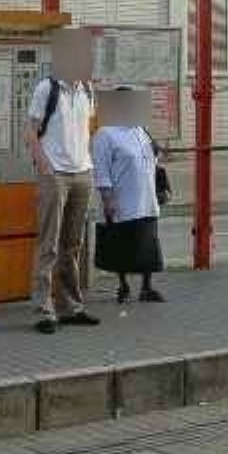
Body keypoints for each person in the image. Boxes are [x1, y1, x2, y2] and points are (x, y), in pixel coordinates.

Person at [26, 28, 101, 334]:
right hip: (55, 174)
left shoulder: (87, 90)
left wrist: (88, 163)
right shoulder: (47, 88)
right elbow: (30, 133)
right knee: (49, 243)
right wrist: (45, 167)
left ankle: (71, 306)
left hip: (82, 173)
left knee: (72, 244)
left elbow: (88, 129)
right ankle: (43, 309)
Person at [92, 87, 165, 304]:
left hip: (147, 197)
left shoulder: (141, 130)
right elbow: (101, 170)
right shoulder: (105, 134)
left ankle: (146, 287)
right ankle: (123, 286)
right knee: (122, 243)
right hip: (123, 199)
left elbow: (152, 160)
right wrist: (108, 199)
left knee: (148, 243)